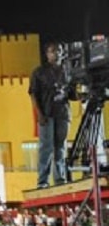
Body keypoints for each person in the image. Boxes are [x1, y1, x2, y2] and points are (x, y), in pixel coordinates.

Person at [29, 42, 73, 189]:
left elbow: (71, 93)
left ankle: (60, 179)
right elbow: (33, 94)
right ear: (47, 54)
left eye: (58, 51)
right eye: (52, 51)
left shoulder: (68, 71)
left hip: (63, 114)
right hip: (46, 114)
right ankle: (43, 181)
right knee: (46, 148)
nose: (56, 54)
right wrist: (39, 114)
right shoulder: (39, 72)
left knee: (60, 148)